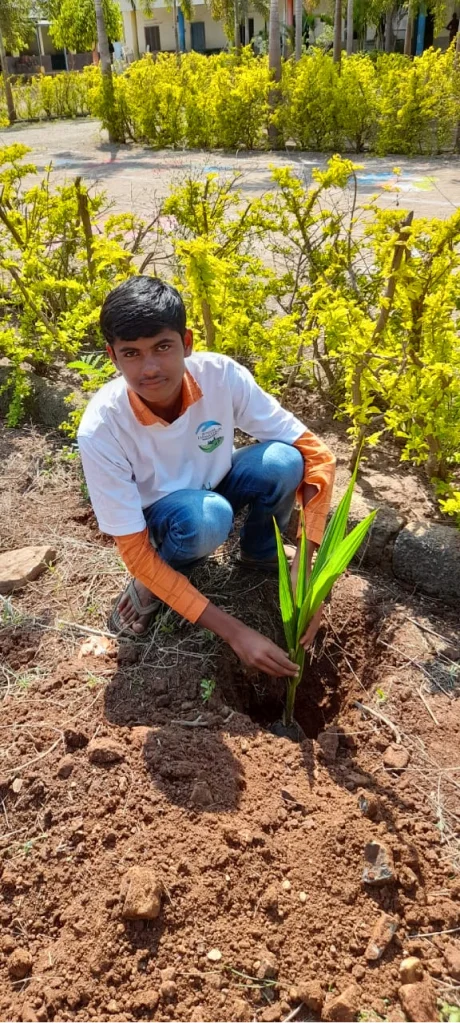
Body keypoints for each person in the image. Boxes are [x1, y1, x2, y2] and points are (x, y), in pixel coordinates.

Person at [77, 276, 336, 679]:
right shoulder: (102, 428)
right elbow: (132, 550)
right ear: (112, 356)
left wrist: (305, 567)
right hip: (165, 518)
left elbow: (317, 453)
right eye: (132, 353)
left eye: (163, 347)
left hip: (215, 486)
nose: (150, 368)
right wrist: (236, 633)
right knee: (207, 518)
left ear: (187, 342)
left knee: (284, 460)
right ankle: (161, 576)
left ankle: (260, 553)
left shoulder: (220, 376)